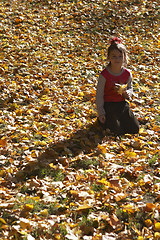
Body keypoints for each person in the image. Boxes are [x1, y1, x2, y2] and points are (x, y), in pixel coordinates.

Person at [96, 37, 139, 136]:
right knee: (117, 131)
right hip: (108, 105)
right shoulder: (104, 75)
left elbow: (130, 88)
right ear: (109, 57)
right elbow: (99, 95)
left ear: (124, 57)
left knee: (134, 129)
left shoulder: (127, 74)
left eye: (120, 56)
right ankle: (104, 121)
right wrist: (101, 112)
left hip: (121, 104)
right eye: (114, 56)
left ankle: (121, 120)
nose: (117, 59)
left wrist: (128, 93)